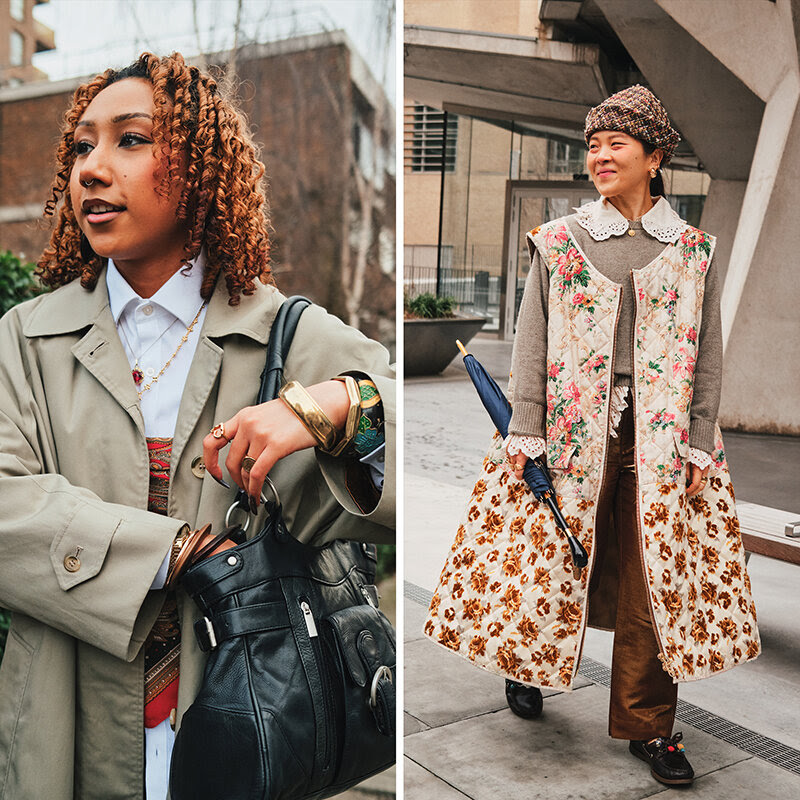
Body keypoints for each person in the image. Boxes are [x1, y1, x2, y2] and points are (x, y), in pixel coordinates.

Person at [0, 52, 394, 799]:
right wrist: (173, 550)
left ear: (201, 163)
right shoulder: (25, 340)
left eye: (131, 139)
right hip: (64, 723)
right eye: (82, 145)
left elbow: (394, 430)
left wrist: (333, 410)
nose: (92, 167)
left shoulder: (288, 333)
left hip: (254, 718)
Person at [424, 85, 759, 787]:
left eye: (616, 144)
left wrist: (701, 438)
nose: (600, 156)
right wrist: (524, 429)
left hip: (663, 440)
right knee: (546, 559)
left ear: (655, 157)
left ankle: (651, 727)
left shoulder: (695, 251)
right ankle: (527, 667)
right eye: (593, 145)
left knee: (653, 578)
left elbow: (709, 353)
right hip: (566, 435)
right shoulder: (561, 240)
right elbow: (530, 341)